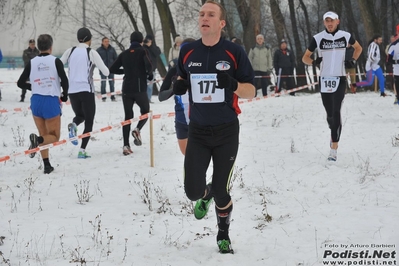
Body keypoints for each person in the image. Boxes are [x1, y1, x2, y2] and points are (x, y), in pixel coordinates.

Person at [173, 0, 255, 254]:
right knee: (192, 192)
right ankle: (205, 194)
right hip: (197, 130)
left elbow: (251, 91)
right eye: (201, 14)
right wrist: (180, 85)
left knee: (222, 190)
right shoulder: (187, 51)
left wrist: (232, 84)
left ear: (221, 23)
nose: (204, 17)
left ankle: (223, 234)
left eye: (210, 14)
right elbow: (181, 77)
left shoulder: (233, 52)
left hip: (226, 131)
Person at [302, 11, 362, 161]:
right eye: (327, 21)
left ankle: (334, 148)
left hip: (340, 78)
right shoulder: (318, 38)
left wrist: (353, 61)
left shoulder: (345, 36)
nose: (329, 23)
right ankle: (333, 132)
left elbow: (359, 48)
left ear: (338, 21)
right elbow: (305, 58)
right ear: (324, 23)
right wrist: (314, 62)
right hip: (324, 80)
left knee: (336, 112)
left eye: (332, 21)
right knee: (329, 115)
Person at [17, 34, 69, 174]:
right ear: (51, 47)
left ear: (39, 47)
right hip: (50, 100)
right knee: (53, 136)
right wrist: (64, 95)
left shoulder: (32, 62)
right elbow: (65, 80)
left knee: (43, 133)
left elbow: (20, 83)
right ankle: (38, 140)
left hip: (36, 101)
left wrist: (32, 87)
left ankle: (46, 165)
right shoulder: (56, 61)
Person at [60, 27, 109, 159]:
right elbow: (106, 72)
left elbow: (58, 65)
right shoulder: (91, 52)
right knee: (89, 120)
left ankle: (74, 125)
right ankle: (82, 150)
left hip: (72, 91)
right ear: (89, 39)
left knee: (80, 115)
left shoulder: (70, 51)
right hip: (86, 90)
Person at [109, 31, 153, 155]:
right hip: (139, 88)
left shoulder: (124, 54)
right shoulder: (143, 51)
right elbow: (149, 65)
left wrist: (126, 71)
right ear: (141, 40)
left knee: (127, 117)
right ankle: (137, 129)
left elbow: (112, 69)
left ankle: (125, 146)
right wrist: (148, 75)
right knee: (145, 111)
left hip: (126, 89)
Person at [159, 38, 195, 155]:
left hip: (200, 120)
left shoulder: (202, 69)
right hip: (182, 120)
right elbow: (161, 96)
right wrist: (175, 89)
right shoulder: (175, 70)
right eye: (183, 51)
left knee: (201, 158)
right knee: (188, 157)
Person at [96, 37, 118, 102]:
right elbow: (96, 60)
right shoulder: (99, 50)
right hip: (103, 70)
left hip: (111, 69)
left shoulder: (112, 50)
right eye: (105, 41)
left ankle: (113, 96)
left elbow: (116, 58)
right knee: (103, 83)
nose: (107, 43)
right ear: (102, 42)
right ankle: (103, 97)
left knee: (112, 83)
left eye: (108, 41)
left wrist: (115, 66)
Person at [143, 34, 161, 102]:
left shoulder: (154, 47)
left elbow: (157, 53)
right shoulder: (143, 48)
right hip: (143, 69)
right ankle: (142, 99)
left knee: (150, 86)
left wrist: (150, 46)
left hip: (151, 69)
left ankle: (148, 99)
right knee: (143, 85)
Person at [388, 34, 399, 105]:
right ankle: (397, 98)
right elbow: (389, 59)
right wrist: (396, 61)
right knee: (397, 85)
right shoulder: (394, 46)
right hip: (397, 70)